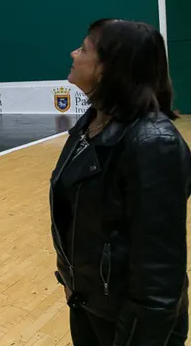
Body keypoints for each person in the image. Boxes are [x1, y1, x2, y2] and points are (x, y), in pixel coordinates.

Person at [50, 18, 191, 345]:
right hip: (89, 308)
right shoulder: (88, 127)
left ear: (106, 69)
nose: (74, 54)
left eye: (84, 49)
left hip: (134, 328)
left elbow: (159, 282)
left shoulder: (154, 144)